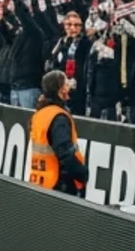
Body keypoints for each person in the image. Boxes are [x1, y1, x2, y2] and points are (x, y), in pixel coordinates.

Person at [28, 69, 88, 197]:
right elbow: (65, 153)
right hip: (59, 184)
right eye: (66, 83)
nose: (69, 86)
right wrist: (82, 173)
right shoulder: (58, 117)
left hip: (39, 181)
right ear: (61, 90)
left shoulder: (39, 114)